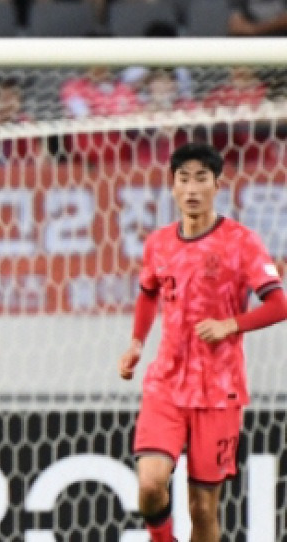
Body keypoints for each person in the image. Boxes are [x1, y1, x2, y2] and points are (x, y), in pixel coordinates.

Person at [118, 143, 287, 542]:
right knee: (150, 484)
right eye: (184, 179)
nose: (192, 188)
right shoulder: (159, 243)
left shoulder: (242, 242)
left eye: (201, 179)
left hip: (219, 391)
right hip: (166, 384)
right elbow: (148, 292)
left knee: (203, 509)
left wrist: (231, 324)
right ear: (172, 186)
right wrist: (137, 343)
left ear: (217, 185)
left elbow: (279, 304)